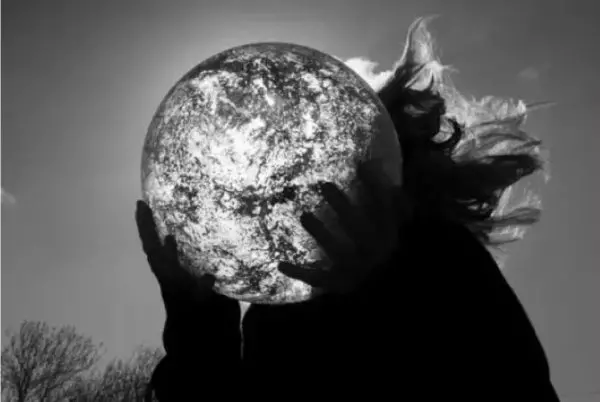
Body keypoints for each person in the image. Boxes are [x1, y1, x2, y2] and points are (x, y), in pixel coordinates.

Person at [137, 17, 560, 401]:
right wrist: (201, 324)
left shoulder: (440, 256)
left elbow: (512, 383)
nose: (294, 192)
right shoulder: (278, 308)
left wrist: (386, 289)